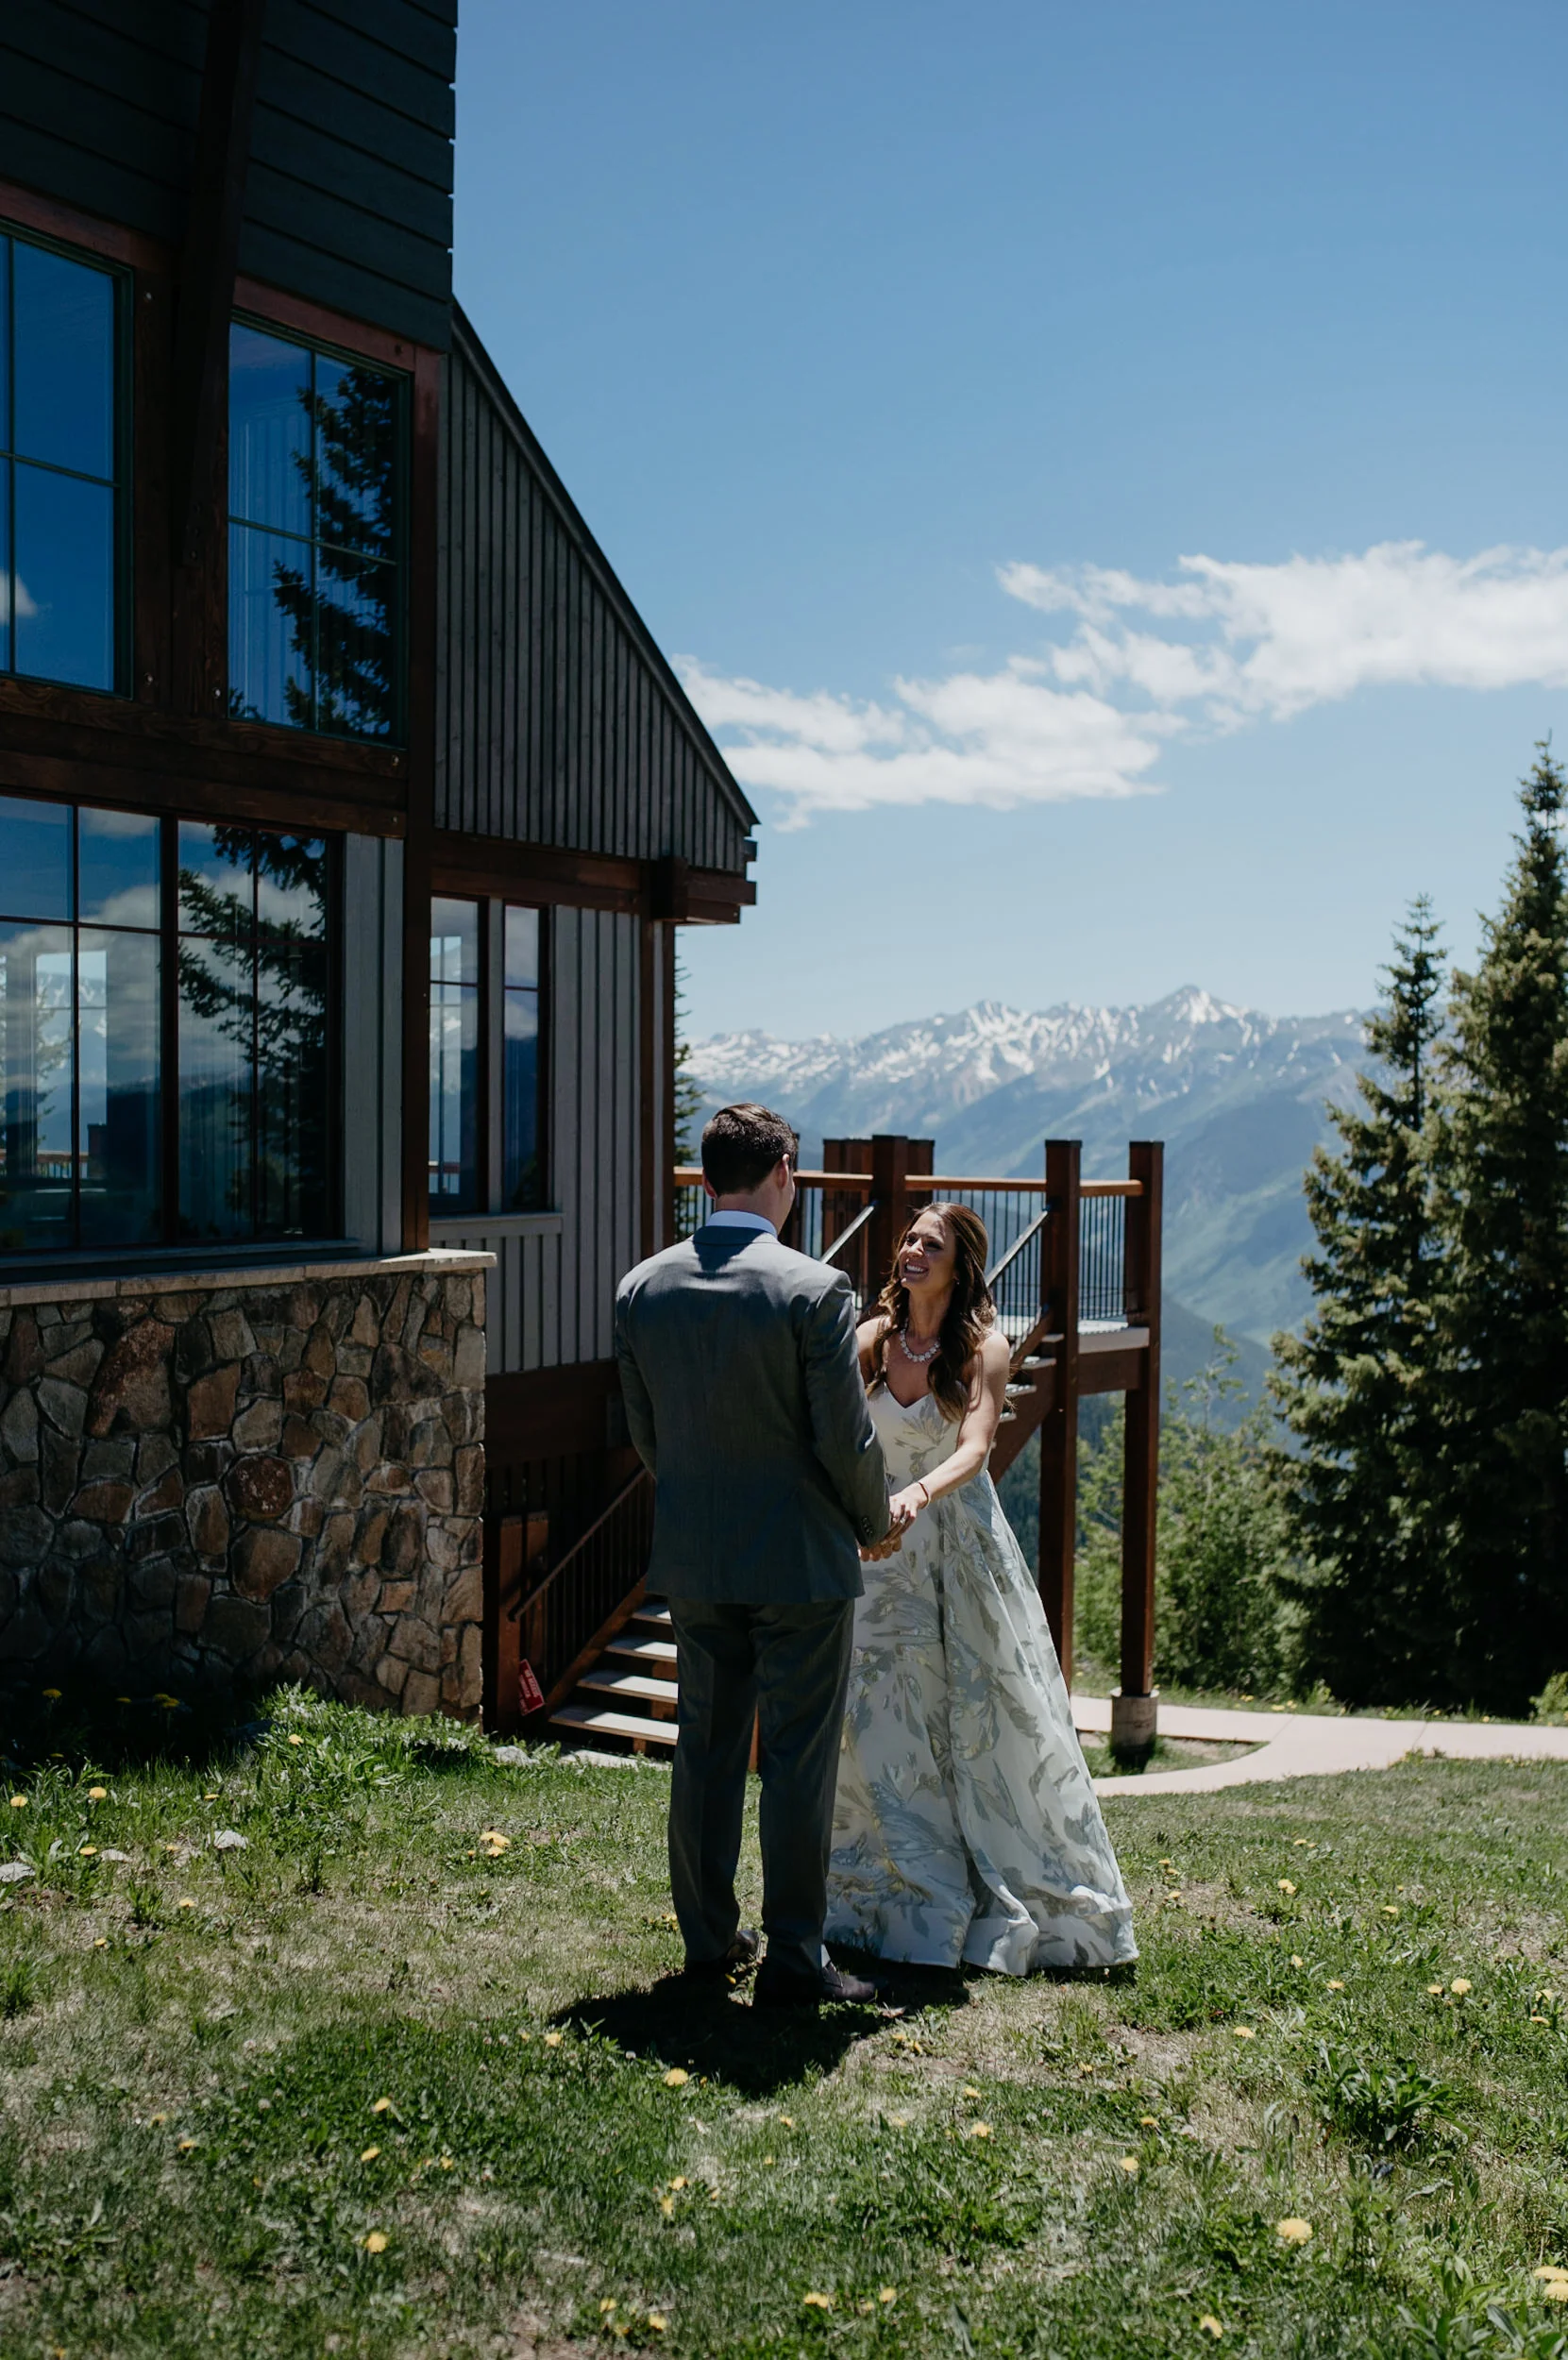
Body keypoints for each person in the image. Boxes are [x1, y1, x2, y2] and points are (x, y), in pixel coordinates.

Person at [615, 1103, 908, 2008]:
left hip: (697, 1555)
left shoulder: (641, 1288)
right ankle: (793, 1955)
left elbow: (648, 1437)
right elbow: (843, 1439)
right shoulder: (811, 1290)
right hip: (799, 1561)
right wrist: (873, 1519)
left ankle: (708, 1939)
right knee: (795, 1757)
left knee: (703, 1748)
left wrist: (703, 1501)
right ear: (783, 1172)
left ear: (708, 1182)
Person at [826, 1202, 1138, 1975]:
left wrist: (915, 1497)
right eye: (906, 1239)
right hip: (875, 1555)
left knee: (973, 1715)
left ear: (961, 1266)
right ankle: (887, 1884)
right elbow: (832, 1430)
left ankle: (1006, 1883)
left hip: (952, 1544)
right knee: (878, 1715)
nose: (909, 1251)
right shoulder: (870, 1339)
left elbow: (973, 1448)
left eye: (927, 1245)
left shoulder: (981, 1350)